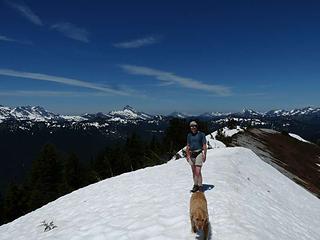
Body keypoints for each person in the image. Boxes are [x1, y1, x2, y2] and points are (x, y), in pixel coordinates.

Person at [186, 121, 207, 192]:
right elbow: (188, 146)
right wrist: (188, 155)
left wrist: (204, 154)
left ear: (197, 126)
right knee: (193, 171)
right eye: (191, 126)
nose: (193, 127)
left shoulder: (201, 134)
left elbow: (204, 145)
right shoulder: (189, 135)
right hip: (192, 154)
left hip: (199, 153)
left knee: (197, 171)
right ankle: (195, 185)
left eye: (194, 126)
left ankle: (200, 186)